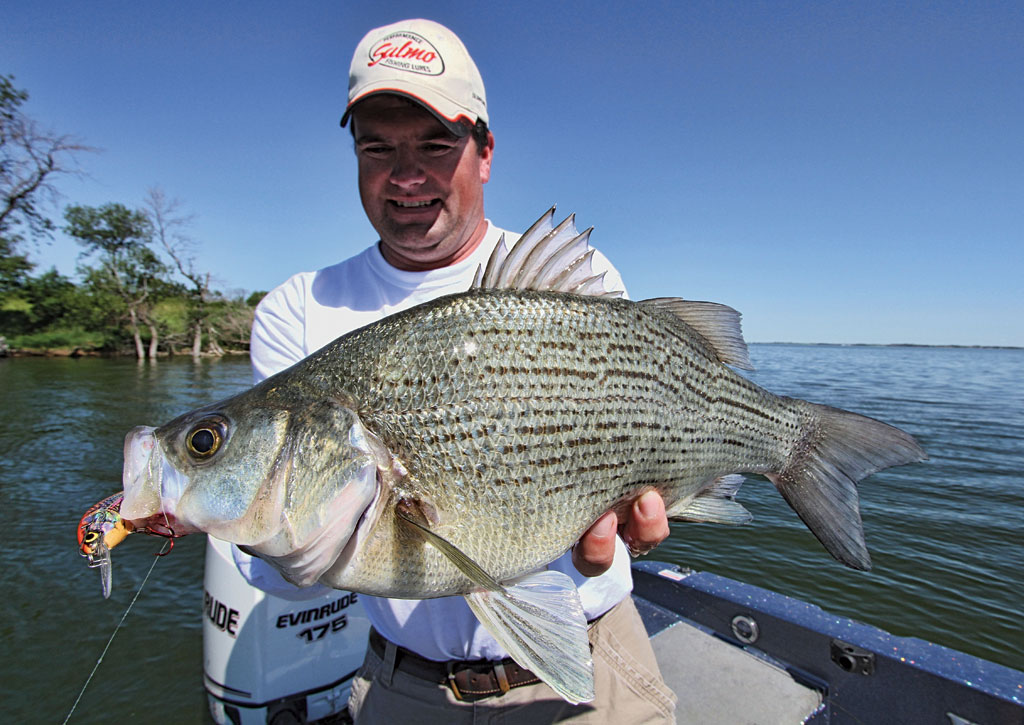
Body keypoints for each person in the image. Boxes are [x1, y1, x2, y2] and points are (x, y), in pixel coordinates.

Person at [244, 18, 676, 723]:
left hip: (594, 669)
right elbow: (291, 582)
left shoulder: (579, 280)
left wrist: (644, 510)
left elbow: (635, 455)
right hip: (402, 684)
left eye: (436, 145)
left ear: (484, 152)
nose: (406, 175)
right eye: (377, 148)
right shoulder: (298, 309)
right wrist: (240, 512)